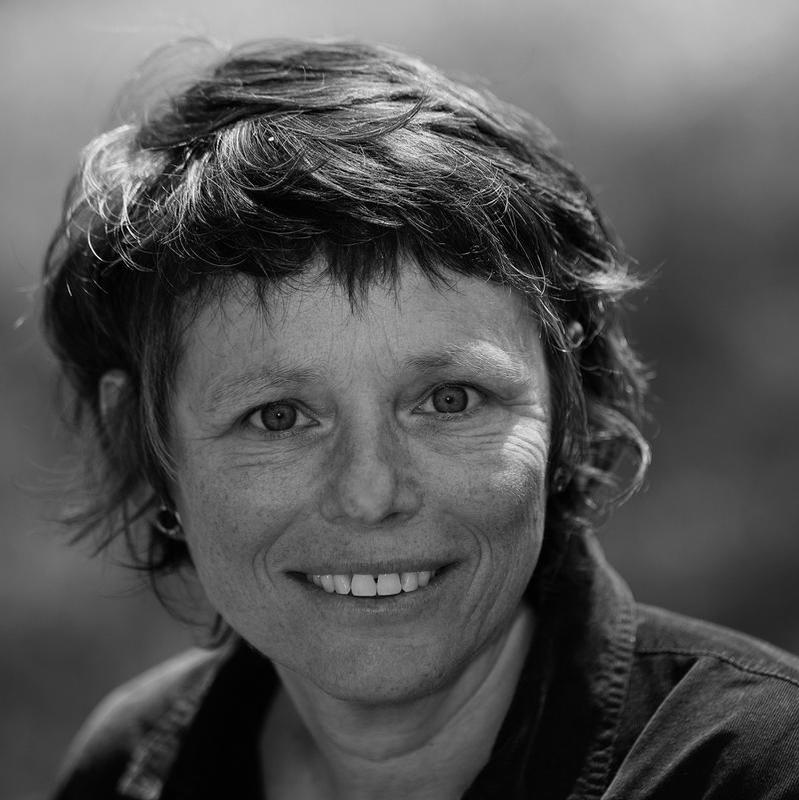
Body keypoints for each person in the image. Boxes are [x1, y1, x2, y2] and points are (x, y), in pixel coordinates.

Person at [42, 38, 799, 800]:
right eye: (277, 417)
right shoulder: (129, 766)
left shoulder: (759, 770)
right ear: (141, 443)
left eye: (448, 400)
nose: (370, 493)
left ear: (565, 407)